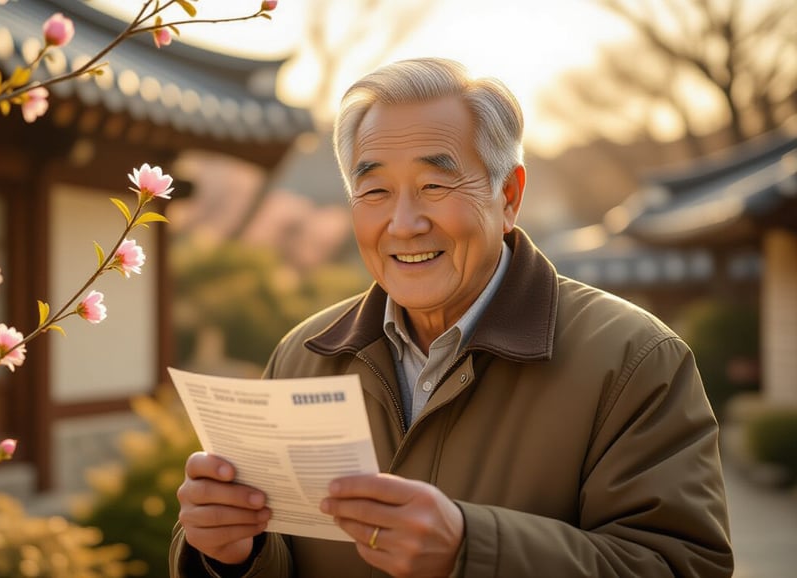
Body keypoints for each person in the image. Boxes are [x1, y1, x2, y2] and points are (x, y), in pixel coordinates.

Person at [170, 57, 733, 577]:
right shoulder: (305, 354)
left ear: (508, 195)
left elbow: (682, 564)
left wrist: (470, 547)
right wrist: (228, 555)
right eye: (375, 190)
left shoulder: (633, 358)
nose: (404, 222)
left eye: (435, 185)